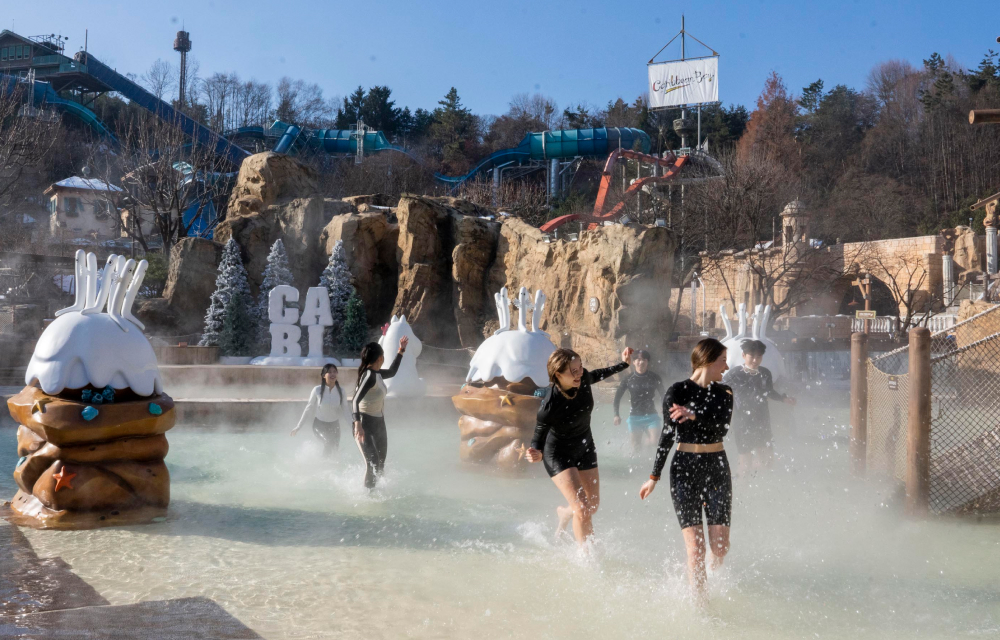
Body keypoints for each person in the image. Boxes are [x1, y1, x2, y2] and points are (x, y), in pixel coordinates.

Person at [638, 338, 733, 606]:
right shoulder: (676, 391)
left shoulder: (725, 393)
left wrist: (693, 414)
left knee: (720, 547)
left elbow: (721, 427)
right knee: (696, 548)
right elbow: (667, 436)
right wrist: (653, 477)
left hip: (716, 468)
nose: (726, 366)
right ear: (708, 360)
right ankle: (699, 605)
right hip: (684, 471)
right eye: (723, 360)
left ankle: (713, 577)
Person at [526, 346, 633, 547]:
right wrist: (535, 451)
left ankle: (564, 513)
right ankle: (586, 557)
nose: (579, 373)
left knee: (592, 505)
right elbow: (539, 432)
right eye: (573, 371)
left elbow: (600, 373)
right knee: (583, 509)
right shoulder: (549, 404)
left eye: (580, 367)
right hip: (558, 454)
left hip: (584, 445)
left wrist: (624, 364)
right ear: (558, 374)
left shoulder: (583, 379)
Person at [722, 339, 796, 475]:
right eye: (752, 356)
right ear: (744, 355)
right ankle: (741, 489)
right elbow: (719, 392)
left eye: (759, 356)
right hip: (743, 423)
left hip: (762, 420)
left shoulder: (765, 373)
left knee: (767, 460)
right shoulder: (734, 374)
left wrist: (783, 399)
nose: (755, 360)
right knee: (746, 462)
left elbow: (769, 391)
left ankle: (758, 484)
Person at [352, 337, 408, 489]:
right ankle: (367, 497)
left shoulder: (376, 373)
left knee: (381, 464)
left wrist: (401, 351)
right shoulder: (369, 375)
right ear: (380, 358)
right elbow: (355, 400)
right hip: (364, 423)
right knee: (373, 464)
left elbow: (392, 371)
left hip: (379, 422)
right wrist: (357, 424)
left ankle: (376, 492)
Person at [612, 349, 664, 453]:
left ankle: (647, 444)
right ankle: (641, 464)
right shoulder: (628, 379)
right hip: (635, 416)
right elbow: (617, 397)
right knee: (636, 448)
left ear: (647, 361)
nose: (641, 362)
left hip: (652, 416)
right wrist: (616, 414)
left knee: (655, 442)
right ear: (634, 362)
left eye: (644, 359)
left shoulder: (654, 377)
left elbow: (664, 394)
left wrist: (664, 406)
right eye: (638, 359)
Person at [291, 363, 347, 456]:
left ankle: (334, 468)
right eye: (329, 372)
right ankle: (323, 465)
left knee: (335, 449)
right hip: (319, 425)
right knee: (328, 443)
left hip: (335, 426)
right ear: (323, 375)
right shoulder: (317, 390)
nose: (333, 374)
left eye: (334, 372)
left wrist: (355, 428)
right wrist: (298, 426)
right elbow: (308, 409)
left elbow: (346, 411)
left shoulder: (341, 391)